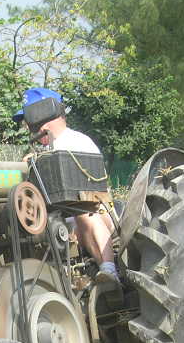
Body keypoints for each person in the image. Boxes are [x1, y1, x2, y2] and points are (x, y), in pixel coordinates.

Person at [14, 88, 119, 284]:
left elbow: (91, 199)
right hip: (63, 222)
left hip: (96, 215)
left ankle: (110, 272)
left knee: (83, 212)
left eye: (31, 121)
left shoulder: (77, 142)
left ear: (45, 115)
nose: (30, 128)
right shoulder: (42, 152)